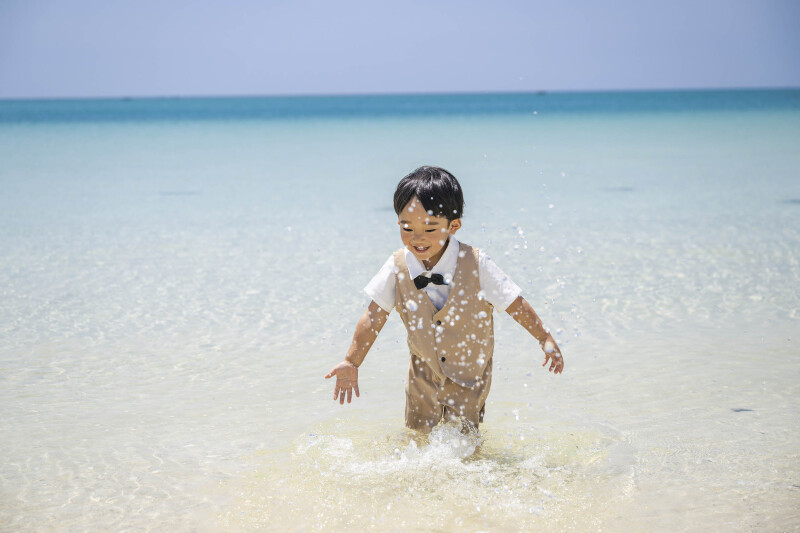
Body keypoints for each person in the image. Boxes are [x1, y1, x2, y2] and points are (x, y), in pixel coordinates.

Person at [325, 166, 564, 433]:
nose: (417, 238)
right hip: (422, 370)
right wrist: (352, 361)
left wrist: (544, 338)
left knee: (464, 444)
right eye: (407, 227)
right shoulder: (397, 266)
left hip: (469, 374)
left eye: (429, 228)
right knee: (417, 436)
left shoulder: (476, 263)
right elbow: (374, 315)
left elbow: (513, 303)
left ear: (454, 225)